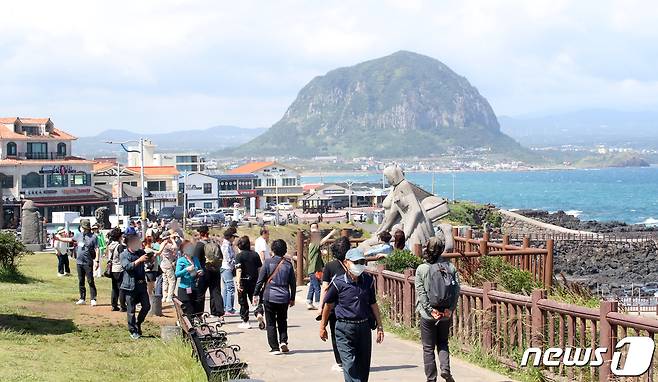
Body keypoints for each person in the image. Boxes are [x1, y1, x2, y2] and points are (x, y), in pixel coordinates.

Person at [320, 247, 385, 382]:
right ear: (346, 262)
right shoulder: (338, 283)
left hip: (364, 327)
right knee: (349, 365)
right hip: (344, 328)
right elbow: (328, 305)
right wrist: (322, 326)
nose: (359, 265)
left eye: (362, 262)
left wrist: (380, 327)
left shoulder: (368, 281)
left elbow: (373, 304)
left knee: (363, 367)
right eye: (356, 262)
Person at [415, 236, 460, 382]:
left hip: (429, 315)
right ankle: (445, 369)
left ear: (427, 248)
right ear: (441, 250)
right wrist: (450, 308)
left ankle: (431, 379)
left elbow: (421, 293)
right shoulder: (450, 267)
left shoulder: (422, 268)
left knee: (428, 348)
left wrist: (430, 310)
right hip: (445, 313)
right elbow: (456, 290)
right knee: (442, 342)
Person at [254, 239, 296, 354]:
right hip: (284, 297)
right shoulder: (288, 265)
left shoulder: (267, 263)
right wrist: (292, 298)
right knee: (282, 320)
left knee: (271, 322)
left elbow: (260, 280)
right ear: (285, 251)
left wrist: (256, 294)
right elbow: (292, 283)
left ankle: (274, 347)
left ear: (272, 250)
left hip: (269, 296)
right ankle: (283, 341)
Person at [319, 236, 351, 372]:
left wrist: (321, 307)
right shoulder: (353, 264)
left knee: (335, 333)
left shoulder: (329, 266)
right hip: (350, 305)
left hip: (333, 307)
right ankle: (350, 359)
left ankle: (340, 362)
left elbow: (324, 288)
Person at [59, 219, 98, 306]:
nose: (82, 228)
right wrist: (59, 238)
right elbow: (70, 240)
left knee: (90, 280)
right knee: (81, 280)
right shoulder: (78, 235)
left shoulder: (93, 237)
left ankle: (93, 298)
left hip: (88, 262)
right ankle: (82, 298)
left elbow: (97, 248)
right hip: (79, 262)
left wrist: (97, 261)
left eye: (83, 227)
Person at [119, 233, 151, 339]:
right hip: (129, 286)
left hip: (141, 285)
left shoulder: (141, 252)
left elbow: (147, 263)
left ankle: (138, 323)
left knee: (146, 306)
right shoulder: (124, 254)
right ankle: (133, 330)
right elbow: (127, 266)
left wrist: (150, 260)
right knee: (131, 310)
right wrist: (139, 260)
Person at [194, 225, 225, 318]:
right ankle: (218, 312)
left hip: (204, 271)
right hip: (215, 271)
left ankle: (198, 313)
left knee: (200, 293)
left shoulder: (200, 244)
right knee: (215, 292)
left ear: (201, 234)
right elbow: (221, 256)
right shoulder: (214, 243)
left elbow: (196, 259)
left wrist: (196, 272)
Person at [235, 235, 263, 329]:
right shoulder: (255, 254)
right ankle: (258, 313)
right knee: (254, 299)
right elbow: (260, 269)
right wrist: (261, 280)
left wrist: (238, 283)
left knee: (243, 302)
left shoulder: (239, 256)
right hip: (254, 281)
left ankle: (245, 321)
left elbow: (239, 270)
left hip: (243, 281)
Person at [306, 226, 336, 309]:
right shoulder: (314, 243)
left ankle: (309, 301)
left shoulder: (311, 244)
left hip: (312, 269)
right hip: (314, 270)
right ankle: (319, 303)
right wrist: (331, 234)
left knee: (312, 286)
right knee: (317, 288)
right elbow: (323, 241)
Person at [176, 240, 203, 315]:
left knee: (196, 310)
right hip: (184, 288)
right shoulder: (181, 260)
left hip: (194, 288)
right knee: (188, 310)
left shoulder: (195, 259)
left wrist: (201, 272)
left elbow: (200, 269)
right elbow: (177, 274)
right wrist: (186, 270)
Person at [107, 227, 127, 312]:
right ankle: (123, 306)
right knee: (121, 288)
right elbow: (123, 258)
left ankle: (114, 305)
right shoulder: (119, 246)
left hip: (112, 269)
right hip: (119, 269)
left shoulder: (110, 245)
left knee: (114, 288)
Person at [220, 227, 239, 315]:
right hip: (227, 268)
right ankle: (229, 308)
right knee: (231, 288)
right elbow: (229, 259)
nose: (234, 239)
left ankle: (224, 307)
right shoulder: (226, 246)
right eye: (233, 237)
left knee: (226, 289)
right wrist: (236, 263)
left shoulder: (227, 245)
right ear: (230, 237)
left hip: (225, 268)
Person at [157, 232, 179, 303]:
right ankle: (169, 297)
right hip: (168, 264)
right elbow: (175, 247)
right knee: (172, 281)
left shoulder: (162, 244)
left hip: (163, 264)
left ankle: (164, 296)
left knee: (165, 281)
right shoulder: (167, 244)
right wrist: (172, 240)